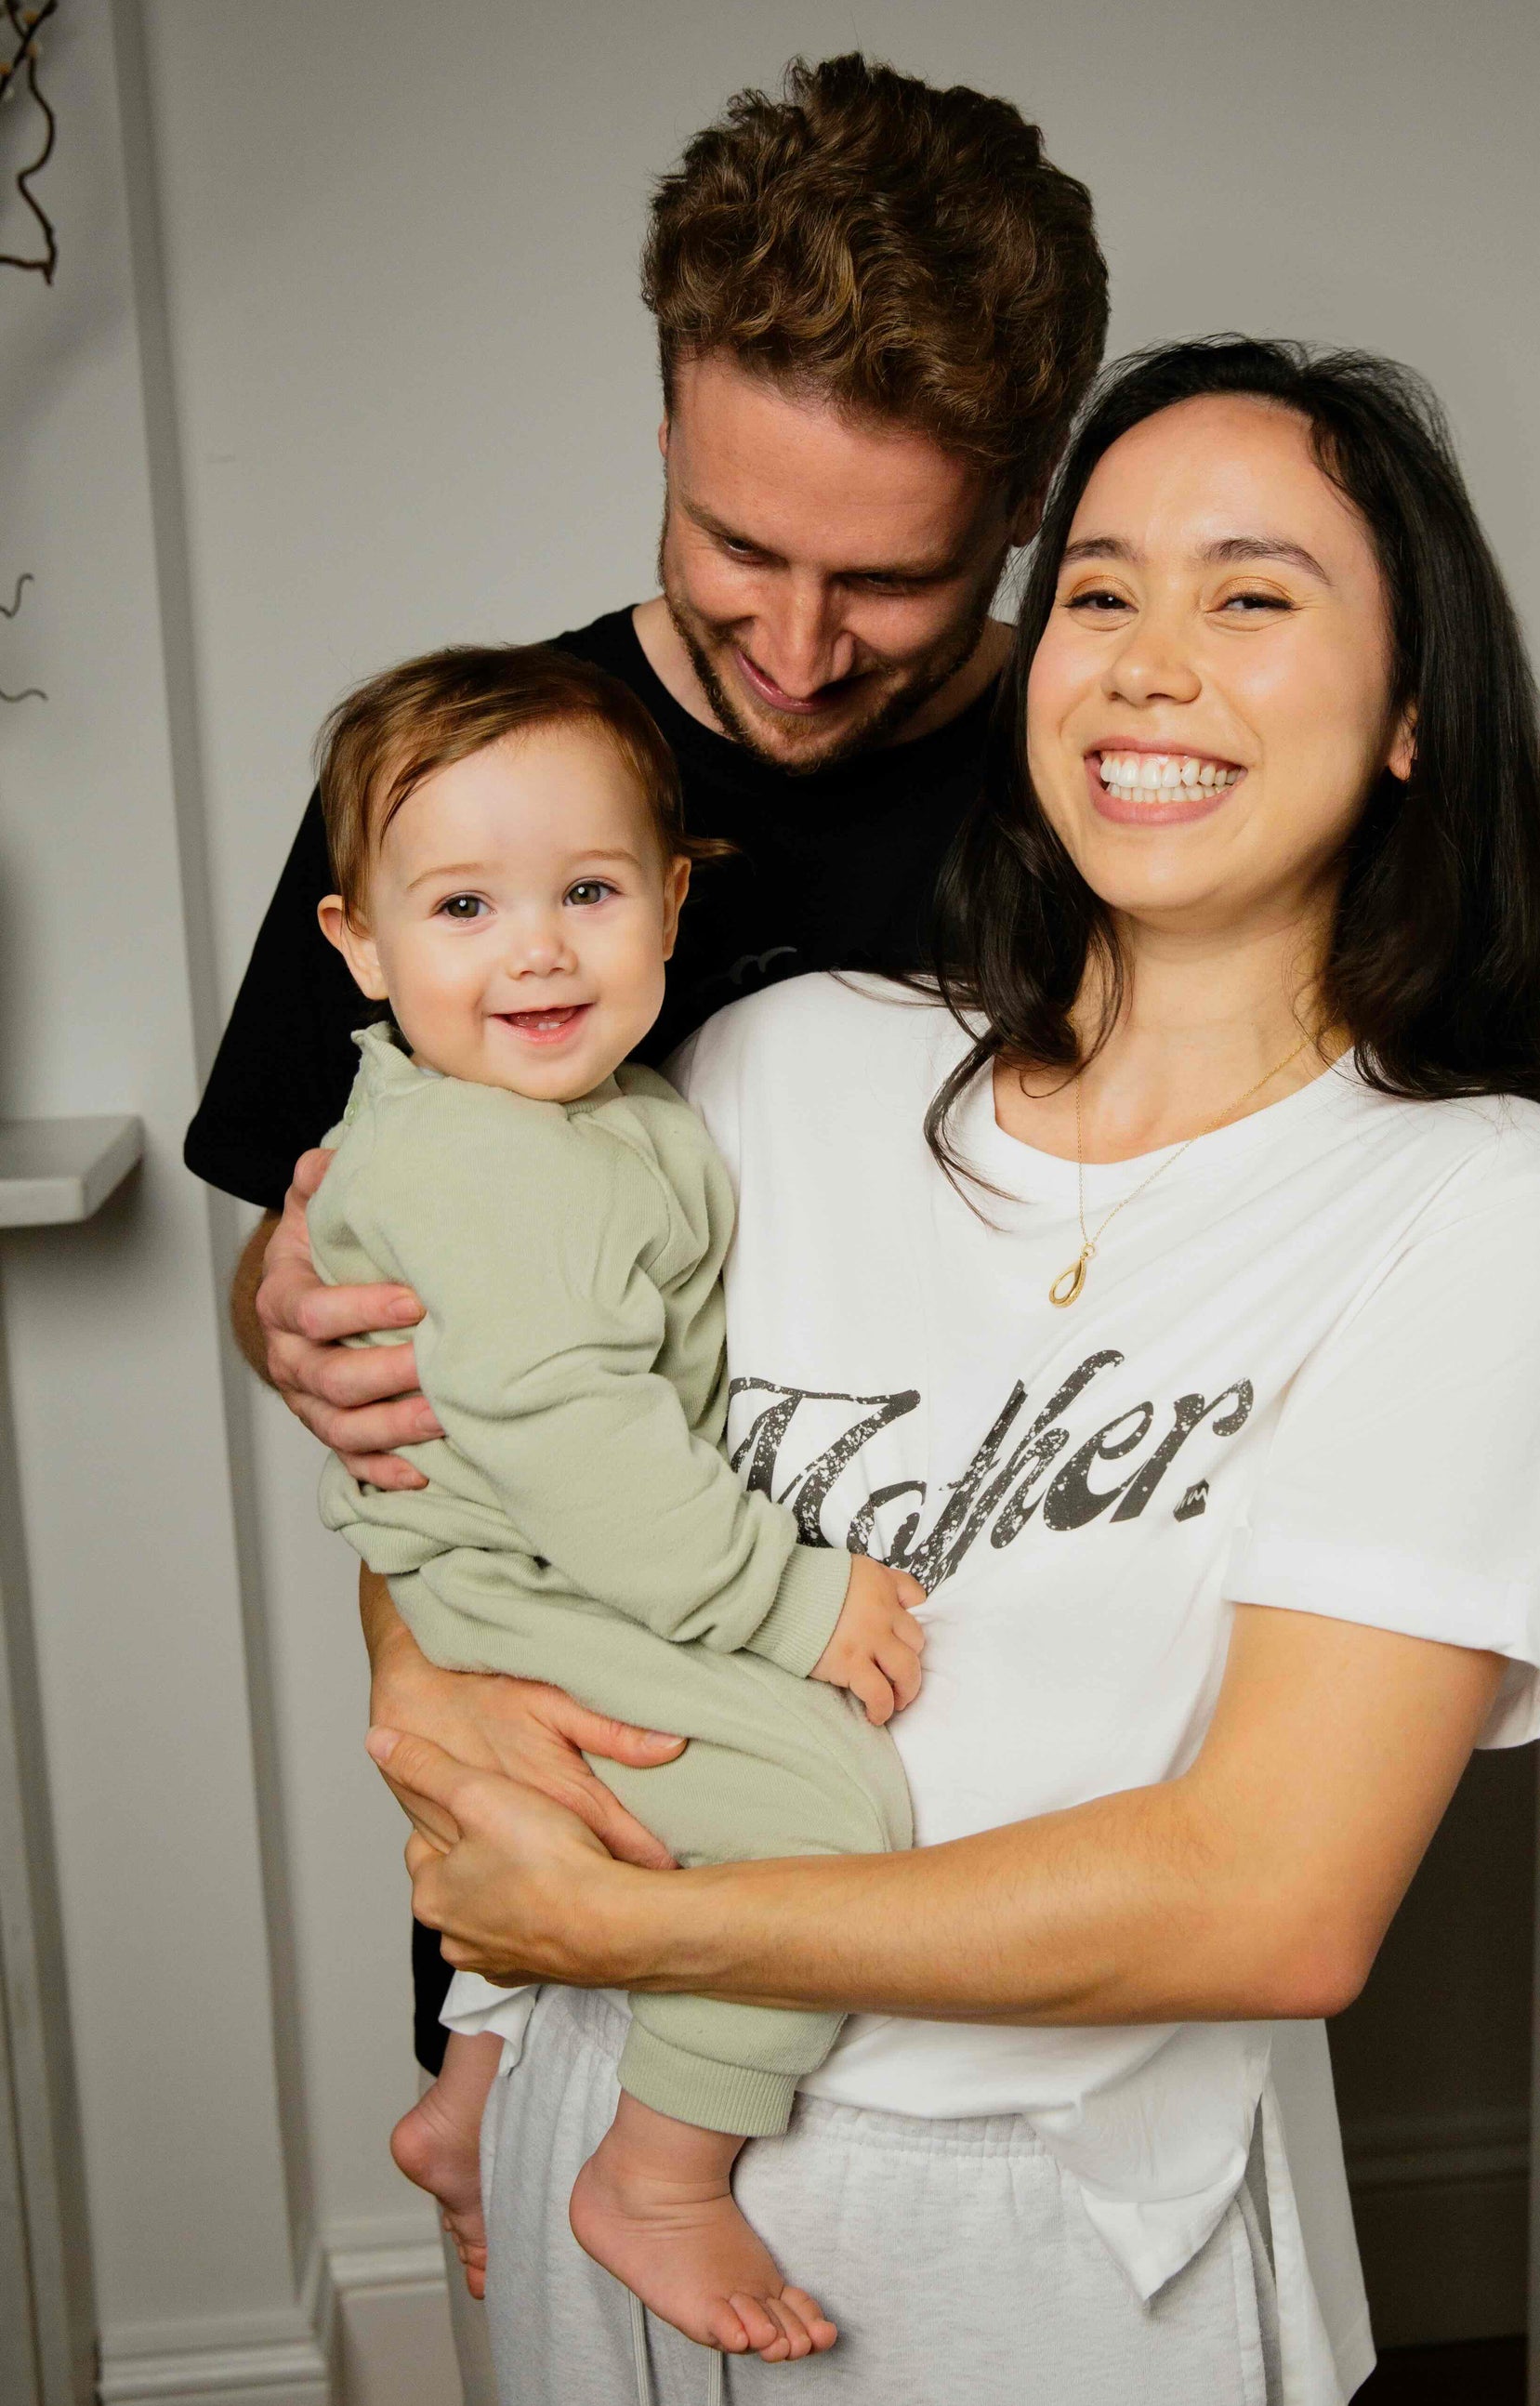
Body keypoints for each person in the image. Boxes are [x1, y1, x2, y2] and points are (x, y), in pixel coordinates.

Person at [357, 337, 1540, 2403]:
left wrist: (631, 1923)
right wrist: (423, 1688)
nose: (1150, 661)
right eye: (1096, 591)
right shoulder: (780, 1059)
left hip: (1042, 2230)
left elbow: (1268, 1900)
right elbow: (487, 1412)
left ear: (1419, 710)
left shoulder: (1470, 1196)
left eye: (1250, 596)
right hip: (589, 2130)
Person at [182, 55, 1107, 2391]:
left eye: (887, 574)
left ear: (1019, 505)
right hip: (586, 1756)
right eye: (733, 546)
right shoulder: (471, 778)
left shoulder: (1113, 789)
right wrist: (291, 1331)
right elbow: (300, 1266)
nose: (794, 644)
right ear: (670, 419)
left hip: (997, 1862)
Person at [305, 644, 926, 2357]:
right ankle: (655, 2171)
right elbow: (576, 1433)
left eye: (585, 889)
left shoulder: (561, 1109)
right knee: (824, 1803)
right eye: (461, 907)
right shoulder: (495, 1156)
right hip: (523, 1572)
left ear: (670, 899)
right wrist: (792, 1603)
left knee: (577, 1803)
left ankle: (469, 2089)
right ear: (357, 943)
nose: (534, 947)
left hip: (509, 1556)